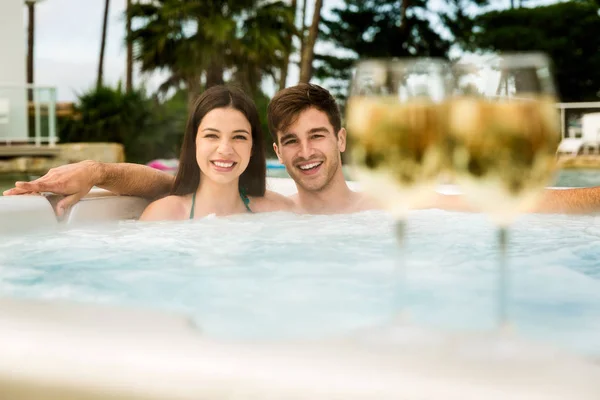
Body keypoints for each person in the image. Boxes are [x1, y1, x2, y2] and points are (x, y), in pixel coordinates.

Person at [5, 84, 600, 215]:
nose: (305, 151)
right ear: (278, 153)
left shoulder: (385, 208)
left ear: (341, 139)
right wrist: (98, 170)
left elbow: (518, 204)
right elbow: (176, 186)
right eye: (290, 141)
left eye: (318, 135)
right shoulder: (273, 207)